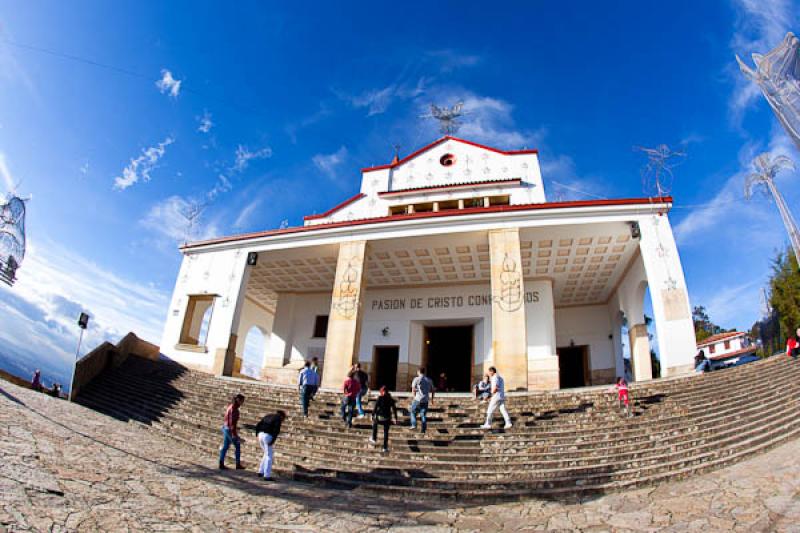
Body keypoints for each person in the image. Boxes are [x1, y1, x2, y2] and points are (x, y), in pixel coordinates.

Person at [255, 410, 286, 481]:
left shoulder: (268, 416)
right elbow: (276, 430)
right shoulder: (278, 418)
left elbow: (258, 424)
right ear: (282, 416)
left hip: (260, 434)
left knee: (266, 453)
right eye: (284, 418)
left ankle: (261, 471)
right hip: (267, 436)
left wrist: (257, 434)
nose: (283, 420)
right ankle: (267, 475)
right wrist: (273, 440)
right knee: (269, 455)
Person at [219, 393, 246, 470]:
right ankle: (237, 464)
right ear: (238, 400)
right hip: (229, 430)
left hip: (225, 427)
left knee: (225, 446)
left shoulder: (230, 406)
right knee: (237, 445)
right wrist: (235, 435)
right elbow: (232, 423)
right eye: (242, 401)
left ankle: (221, 463)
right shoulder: (234, 409)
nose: (243, 403)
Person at [369, 386, 398, 452]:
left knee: (375, 423)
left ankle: (374, 438)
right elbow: (394, 409)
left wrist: (372, 415)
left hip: (380, 417)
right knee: (386, 433)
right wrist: (395, 418)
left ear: (381, 392)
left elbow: (375, 408)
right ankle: (385, 447)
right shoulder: (391, 399)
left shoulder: (380, 398)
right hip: (387, 418)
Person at [410, 367, 434, 434]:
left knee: (412, 411)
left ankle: (414, 424)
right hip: (426, 399)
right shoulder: (429, 380)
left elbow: (413, 389)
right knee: (423, 415)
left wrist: (414, 397)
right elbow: (433, 390)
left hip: (418, 399)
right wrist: (432, 399)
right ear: (424, 372)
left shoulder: (416, 379)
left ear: (418, 371)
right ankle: (423, 429)